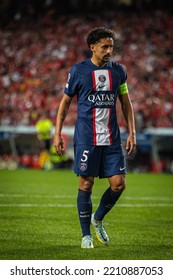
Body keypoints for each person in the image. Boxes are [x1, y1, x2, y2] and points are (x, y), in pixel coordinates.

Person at [53, 27, 136, 249]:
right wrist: (57, 133)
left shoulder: (119, 71)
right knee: (86, 183)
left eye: (111, 46)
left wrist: (132, 132)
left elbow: (126, 103)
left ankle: (97, 219)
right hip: (87, 137)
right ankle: (85, 236)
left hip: (111, 138)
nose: (109, 50)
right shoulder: (79, 71)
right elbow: (65, 103)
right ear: (93, 47)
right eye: (104, 47)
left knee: (119, 184)